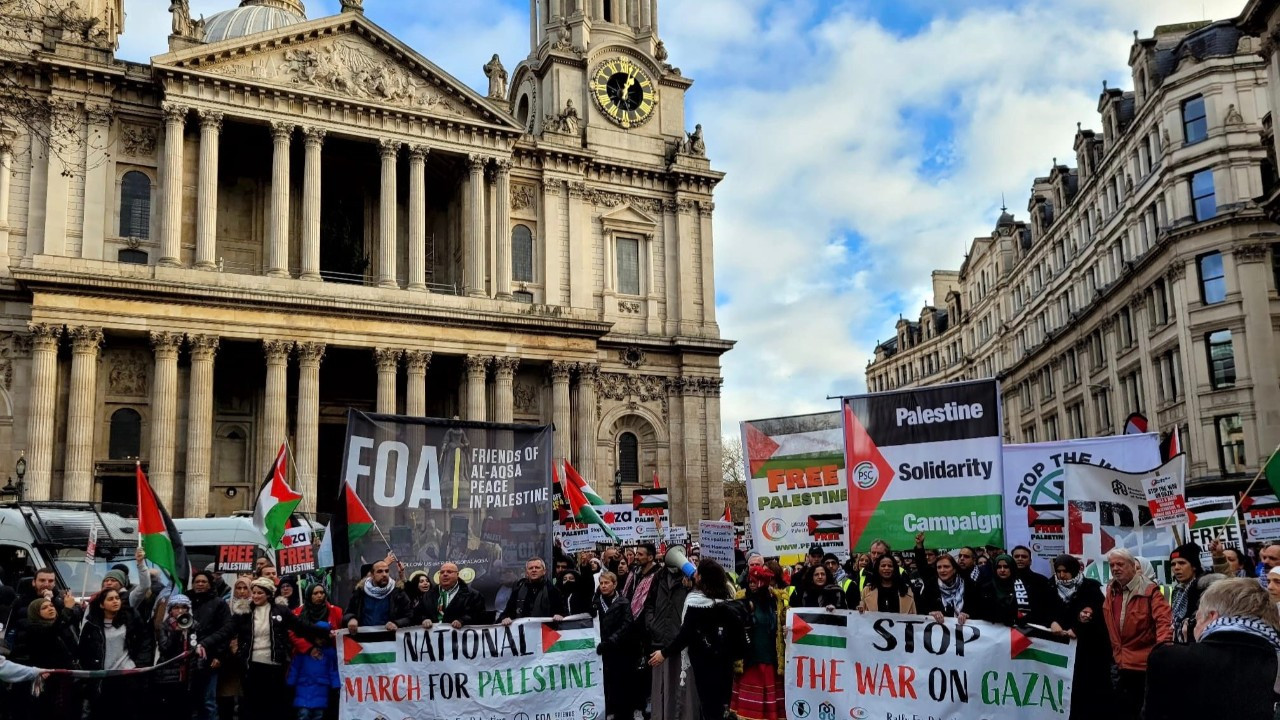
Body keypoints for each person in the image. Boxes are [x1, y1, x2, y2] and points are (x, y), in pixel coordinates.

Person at [1144, 578, 1280, 720]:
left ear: (1212, 616)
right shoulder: (1273, 660)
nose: (1194, 627)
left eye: (1196, 619)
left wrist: (1188, 645)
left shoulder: (1169, 659)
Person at [648, 559, 740, 720]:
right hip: (724, 663)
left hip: (704, 663)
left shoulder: (696, 605)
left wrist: (664, 653)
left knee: (709, 706)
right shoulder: (728, 604)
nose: (694, 574)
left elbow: (685, 635)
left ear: (702, 578)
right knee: (722, 705)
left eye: (697, 572)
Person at [234, 577, 326, 720]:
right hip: (251, 665)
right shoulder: (244, 613)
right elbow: (227, 631)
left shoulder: (281, 611)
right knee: (252, 704)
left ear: (269, 594)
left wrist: (324, 632)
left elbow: (300, 626)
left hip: (274, 665)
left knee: (274, 705)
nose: (256, 596)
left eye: (260, 593)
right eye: (254, 593)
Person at [1102, 547, 1172, 719]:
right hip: (1118, 663)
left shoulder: (1150, 591)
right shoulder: (1111, 589)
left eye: (1120, 564)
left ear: (1133, 566)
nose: (1115, 568)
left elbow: (1164, 622)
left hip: (1143, 665)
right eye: (1112, 565)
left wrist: (1161, 653)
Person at [78, 587, 154, 720]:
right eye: (110, 599)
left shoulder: (131, 619)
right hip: (103, 678)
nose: (115, 601)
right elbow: (84, 652)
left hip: (127, 674)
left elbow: (145, 642)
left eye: (117, 598)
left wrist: (139, 664)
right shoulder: (92, 625)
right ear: (102, 604)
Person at [1047, 554, 1108, 718]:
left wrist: (1079, 628)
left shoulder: (1090, 587)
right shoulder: (1050, 586)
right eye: (1058, 571)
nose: (1061, 576)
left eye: (1066, 571)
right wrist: (1052, 622)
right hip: (1060, 646)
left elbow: (1099, 614)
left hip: (1087, 647)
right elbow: (1044, 609)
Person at [641, 544, 698, 720]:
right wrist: (652, 623)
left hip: (680, 641)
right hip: (660, 638)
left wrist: (691, 587)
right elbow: (649, 604)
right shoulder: (658, 577)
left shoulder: (690, 579)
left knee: (681, 688)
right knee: (662, 687)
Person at [729, 565, 787, 720]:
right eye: (750, 581)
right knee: (748, 713)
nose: (751, 584)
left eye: (755, 581)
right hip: (749, 661)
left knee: (770, 712)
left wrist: (788, 627)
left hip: (770, 659)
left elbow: (786, 621)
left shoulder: (778, 600)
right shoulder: (741, 598)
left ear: (764, 581)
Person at [12, 597, 77, 720]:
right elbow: (51, 633)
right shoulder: (33, 629)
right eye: (44, 607)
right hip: (46, 685)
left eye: (51, 605)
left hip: (65, 682)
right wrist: (67, 609)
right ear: (36, 612)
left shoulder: (65, 629)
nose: (50, 608)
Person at [592, 570, 637, 719]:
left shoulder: (623, 602)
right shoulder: (596, 602)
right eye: (601, 583)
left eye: (606, 583)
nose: (603, 586)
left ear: (614, 584)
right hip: (602, 649)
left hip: (620, 650)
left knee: (621, 685)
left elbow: (627, 624)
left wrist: (611, 641)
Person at [188, 570, 233, 720]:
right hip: (188, 659)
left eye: (204, 582)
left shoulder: (219, 603)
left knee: (209, 701)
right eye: (197, 582)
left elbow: (226, 631)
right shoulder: (185, 602)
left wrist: (219, 655)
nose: (200, 584)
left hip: (210, 658)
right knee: (191, 701)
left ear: (210, 584)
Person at [986, 553, 1059, 627]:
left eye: (1006, 567)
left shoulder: (1023, 586)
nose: (1002, 570)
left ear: (1012, 568)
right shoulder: (987, 588)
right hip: (995, 631)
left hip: (1020, 632)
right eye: (999, 567)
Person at [287, 621, 340, 720]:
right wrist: (291, 681)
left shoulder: (329, 652)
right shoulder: (303, 651)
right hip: (304, 686)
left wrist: (336, 685)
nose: (320, 641)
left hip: (320, 688)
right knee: (303, 713)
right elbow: (295, 667)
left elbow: (333, 670)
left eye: (323, 639)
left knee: (318, 714)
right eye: (318, 638)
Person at [344, 560, 411, 633]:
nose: (384, 574)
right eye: (380, 571)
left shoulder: (398, 593)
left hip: (390, 640)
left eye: (386, 571)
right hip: (365, 641)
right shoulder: (360, 592)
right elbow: (348, 613)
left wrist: (396, 623)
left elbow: (410, 616)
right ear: (372, 575)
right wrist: (351, 619)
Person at [917, 551, 985, 623]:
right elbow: (921, 610)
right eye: (939, 567)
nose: (942, 570)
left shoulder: (969, 585)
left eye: (946, 567)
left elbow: (979, 609)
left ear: (954, 569)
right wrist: (931, 613)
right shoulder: (930, 587)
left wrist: (967, 614)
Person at [500, 557, 565, 624]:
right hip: (522, 632)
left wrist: (560, 615)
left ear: (544, 571)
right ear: (526, 572)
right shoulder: (517, 592)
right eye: (530, 568)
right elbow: (507, 613)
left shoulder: (553, 591)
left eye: (537, 567)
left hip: (546, 631)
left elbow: (562, 612)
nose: (534, 570)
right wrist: (505, 618)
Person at [423, 562, 486, 629]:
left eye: (449, 572)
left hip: (460, 637)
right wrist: (425, 619)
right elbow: (419, 613)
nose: (445, 574)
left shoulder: (473, 595)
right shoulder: (428, 595)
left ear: (457, 574)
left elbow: (479, 616)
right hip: (434, 637)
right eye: (442, 572)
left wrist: (462, 621)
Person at [1168, 542, 1206, 641]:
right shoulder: (1177, 591)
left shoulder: (1204, 589)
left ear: (1194, 566)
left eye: (1182, 563)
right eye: (1173, 564)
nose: (1176, 567)